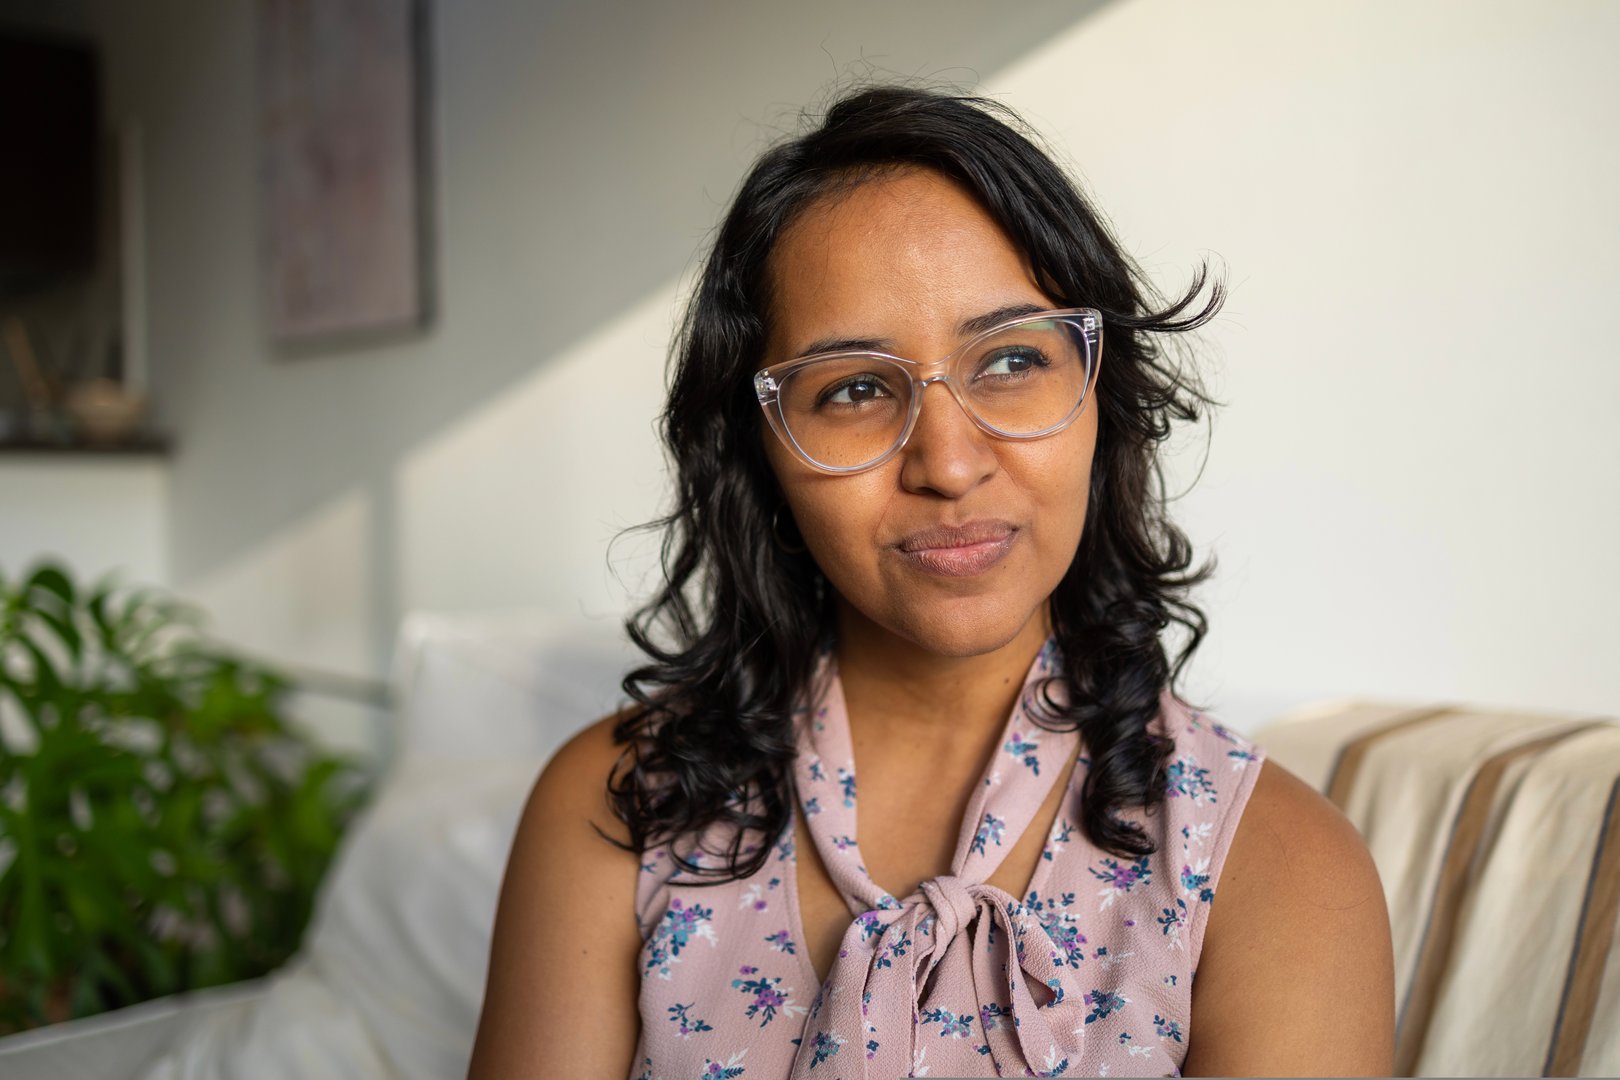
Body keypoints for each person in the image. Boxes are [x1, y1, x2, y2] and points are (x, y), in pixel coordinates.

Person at [468, 84, 1395, 1079]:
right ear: (763, 453)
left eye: (1008, 360)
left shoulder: (1277, 869)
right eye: (857, 389)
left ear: (1099, 403)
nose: (948, 464)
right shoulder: (616, 812)